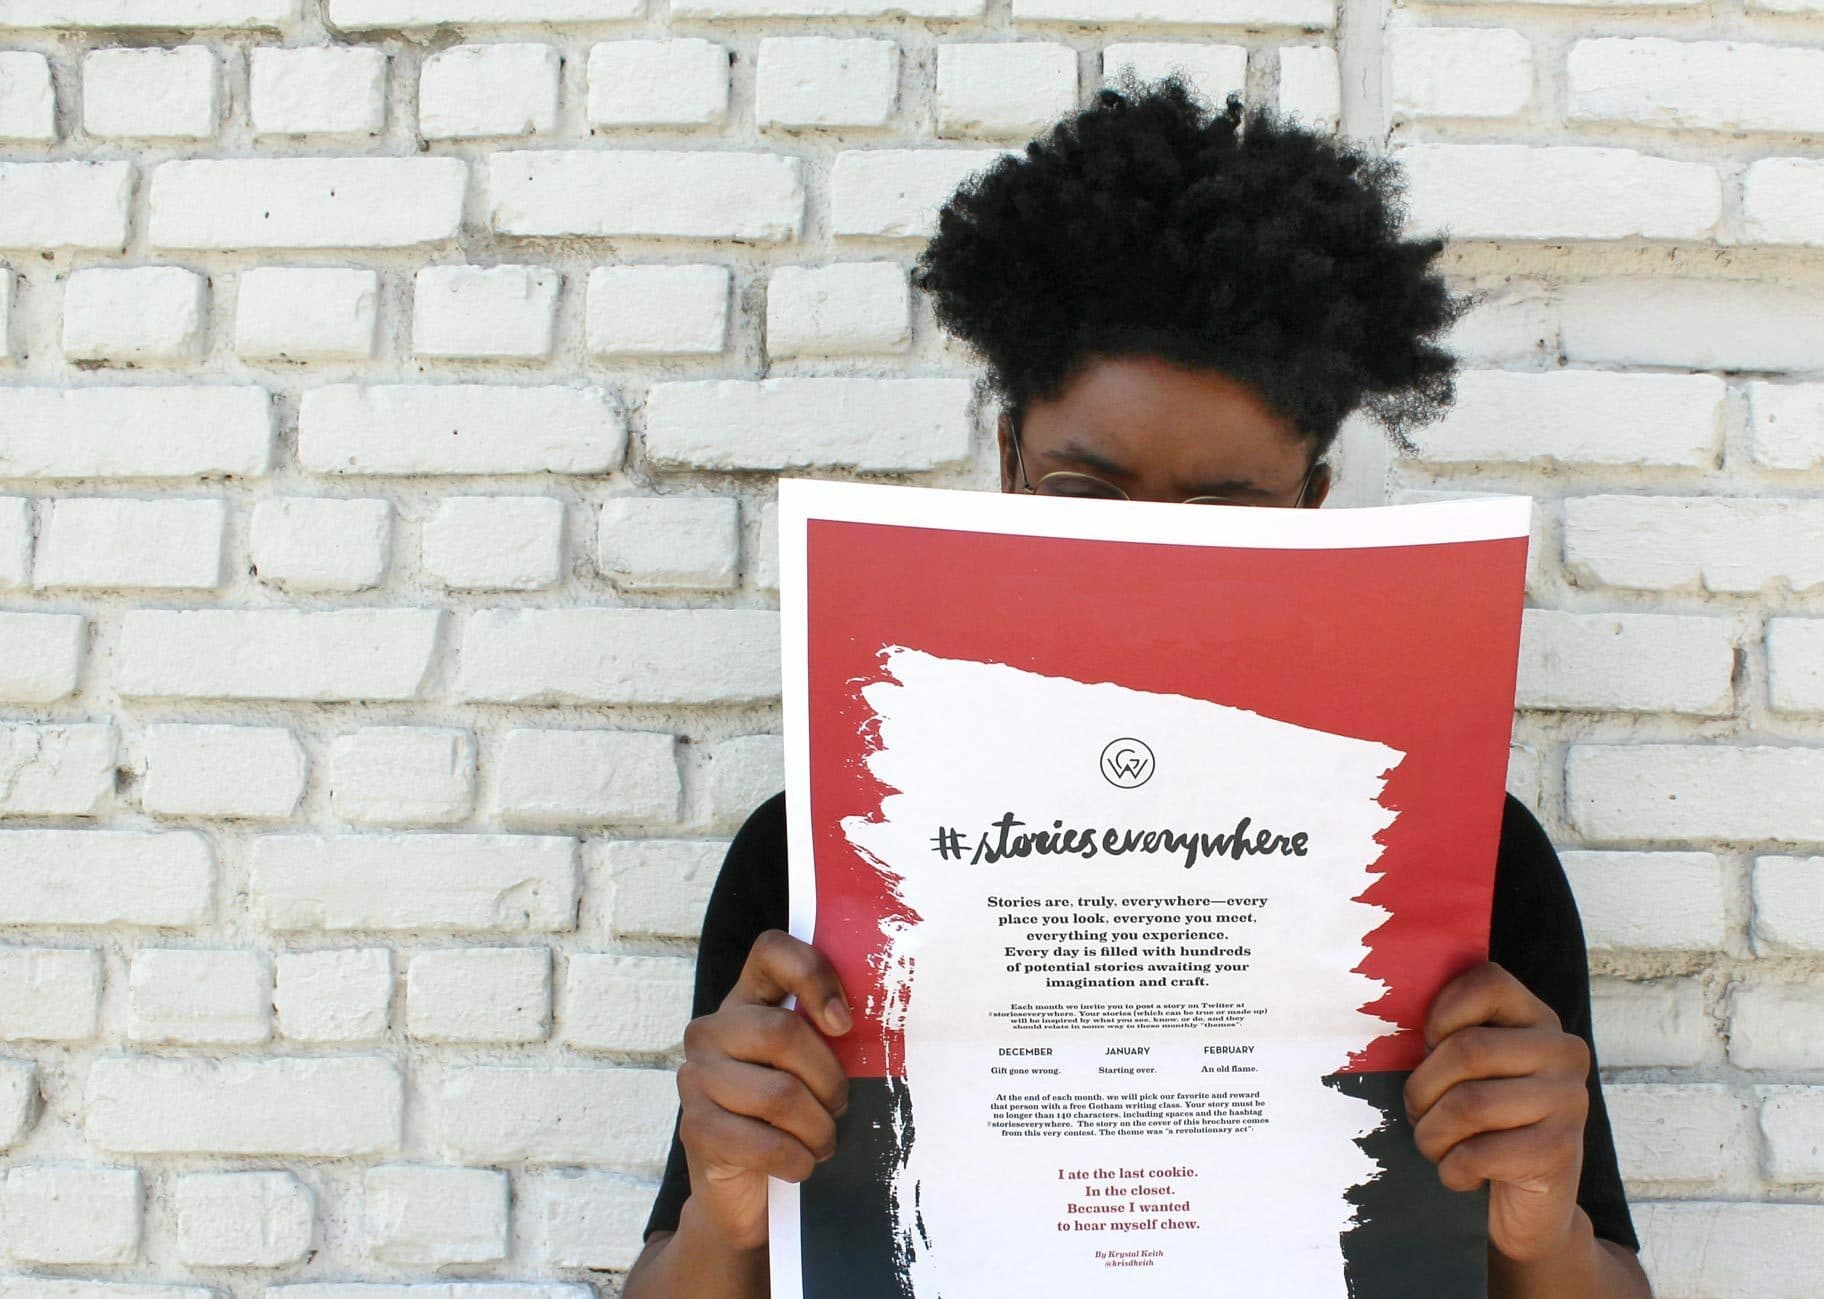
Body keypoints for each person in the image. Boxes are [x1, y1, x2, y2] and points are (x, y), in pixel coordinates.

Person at [622, 76, 1653, 1299]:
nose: (1142, 570)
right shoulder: (820, 854)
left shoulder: (1469, 858)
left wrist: (1542, 1232)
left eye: (1224, 513)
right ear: (1010, 464)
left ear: (1312, 514)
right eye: (1085, 494)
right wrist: (730, 1214)